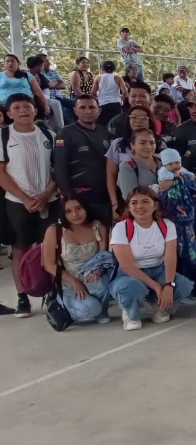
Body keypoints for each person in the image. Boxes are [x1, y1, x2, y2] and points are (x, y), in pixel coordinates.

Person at [0, 93, 59, 318]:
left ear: (35, 110)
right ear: (9, 113)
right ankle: (22, 298)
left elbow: (57, 170)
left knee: (51, 248)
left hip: (49, 200)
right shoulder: (3, 136)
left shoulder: (49, 135)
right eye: (17, 107)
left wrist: (46, 194)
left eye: (27, 106)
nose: (23, 110)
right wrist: (25, 198)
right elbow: (1, 173)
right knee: (20, 249)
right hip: (17, 202)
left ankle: (53, 294)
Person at [108, 187, 195, 330]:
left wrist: (169, 285)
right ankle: (129, 310)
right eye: (134, 203)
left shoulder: (167, 225)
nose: (139, 206)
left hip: (158, 271)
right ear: (128, 207)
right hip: (129, 274)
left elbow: (170, 257)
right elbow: (126, 266)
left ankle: (156, 305)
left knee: (184, 285)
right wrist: (156, 286)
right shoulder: (121, 228)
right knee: (130, 288)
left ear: (155, 205)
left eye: (145, 201)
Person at [42, 197, 114, 324]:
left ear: (86, 208)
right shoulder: (55, 231)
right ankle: (61, 306)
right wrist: (74, 282)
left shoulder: (98, 227)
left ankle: (102, 311)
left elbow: (103, 256)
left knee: (104, 281)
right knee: (91, 309)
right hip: (67, 285)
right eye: (68, 211)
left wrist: (98, 271)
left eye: (78, 208)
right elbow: (49, 264)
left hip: (92, 280)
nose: (75, 214)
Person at [53, 94, 112, 224]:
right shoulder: (65, 133)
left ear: (99, 110)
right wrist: (69, 197)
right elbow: (59, 167)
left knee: (103, 232)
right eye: (82, 107)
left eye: (92, 107)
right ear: (75, 110)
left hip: (104, 197)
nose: (88, 111)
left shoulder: (104, 132)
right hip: (80, 200)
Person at [106, 107, 160, 216]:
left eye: (151, 143)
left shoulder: (161, 159)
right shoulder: (126, 163)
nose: (148, 147)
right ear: (133, 146)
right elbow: (112, 175)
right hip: (139, 214)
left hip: (163, 214)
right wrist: (114, 204)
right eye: (134, 117)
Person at [156, 148, 196, 276]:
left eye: (177, 162)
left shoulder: (182, 171)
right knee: (174, 247)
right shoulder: (163, 172)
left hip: (187, 218)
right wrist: (176, 179)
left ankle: (191, 273)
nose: (175, 166)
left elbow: (191, 180)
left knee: (189, 247)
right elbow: (164, 183)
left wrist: (186, 177)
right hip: (171, 218)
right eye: (170, 164)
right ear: (165, 164)